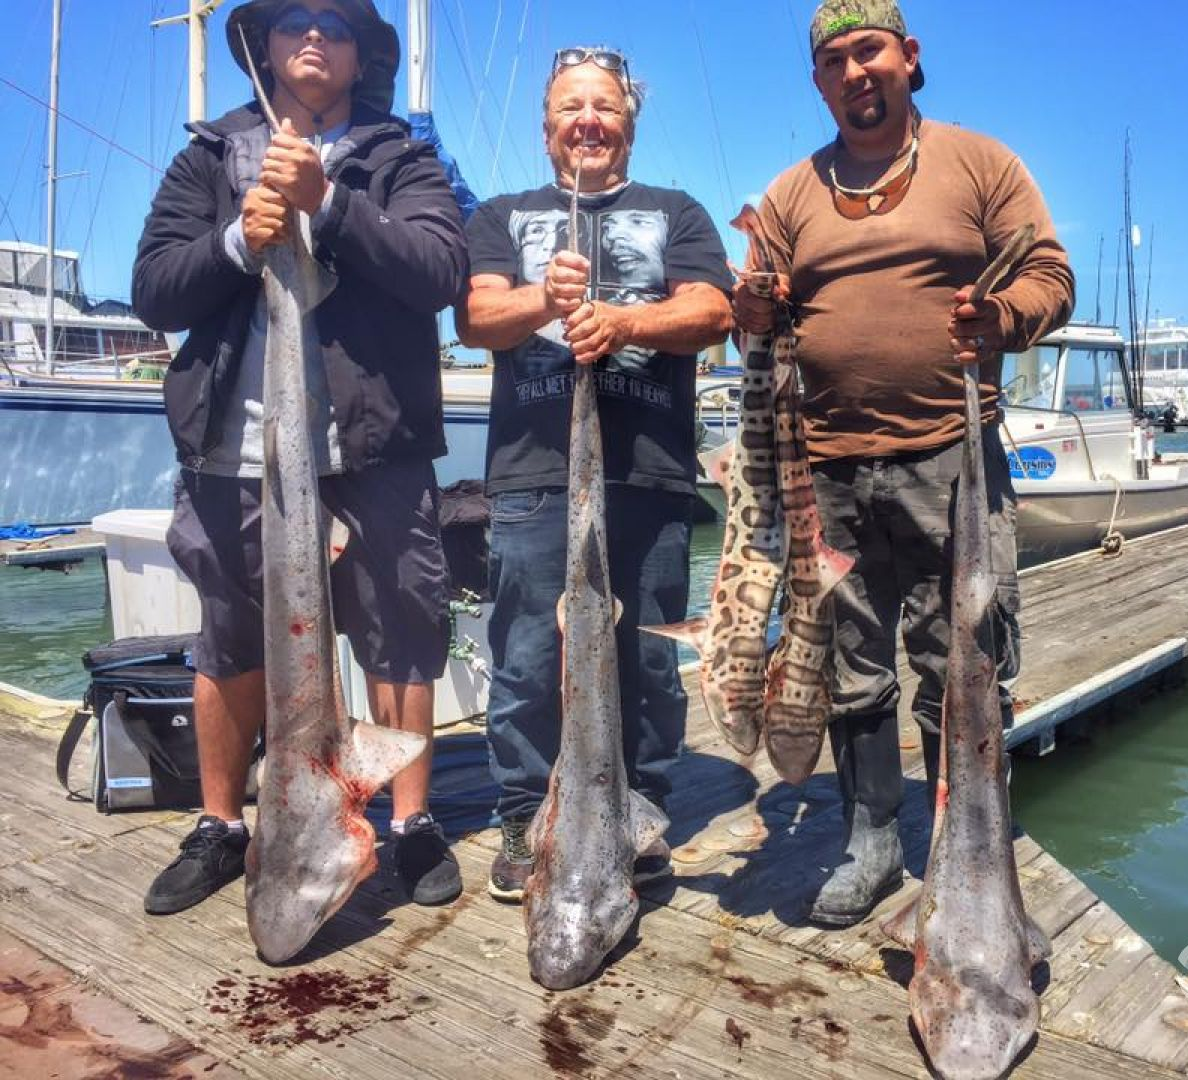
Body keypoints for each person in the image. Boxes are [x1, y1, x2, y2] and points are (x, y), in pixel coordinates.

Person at [735, 0, 1074, 927]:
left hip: (951, 459)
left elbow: (1050, 274)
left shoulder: (980, 163)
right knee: (850, 660)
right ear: (818, 82)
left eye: (869, 50)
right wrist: (752, 309)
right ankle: (872, 839)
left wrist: (1002, 318)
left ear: (909, 55)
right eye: (834, 61)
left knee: (963, 657)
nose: (855, 71)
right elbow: (754, 320)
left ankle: (966, 847)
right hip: (826, 469)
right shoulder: (790, 195)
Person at [132, 0, 468, 915]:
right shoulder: (210, 155)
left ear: (361, 57)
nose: (315, 34)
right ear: (266, 45)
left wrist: (334, 204)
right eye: (294, 19)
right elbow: (154, 289)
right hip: (235, 449)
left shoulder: (402, 157)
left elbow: (440, 271)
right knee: (229, 636)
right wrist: (237, 240)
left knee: (401, 632)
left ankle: (409, 821)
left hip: (376, 445)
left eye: (337, 24)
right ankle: (221, 825)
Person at [456, 46, 733, 902]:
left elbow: (712, 310)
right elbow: (477, 317)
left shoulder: (677, 211)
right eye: (571, 108)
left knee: (645, 658)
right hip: (532, 472)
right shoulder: (501, 215)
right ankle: (524, 812)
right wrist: (548, 299)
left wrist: (622, 322)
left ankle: (639, 809)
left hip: (649, 472)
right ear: (546, 130)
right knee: (528, 656)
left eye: (605, 107)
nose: (588, 122)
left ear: (629, 125)